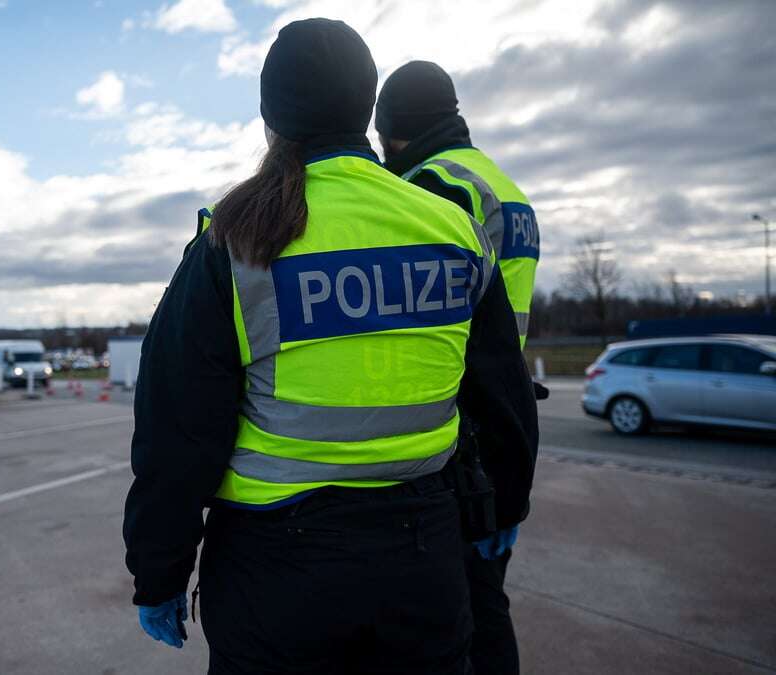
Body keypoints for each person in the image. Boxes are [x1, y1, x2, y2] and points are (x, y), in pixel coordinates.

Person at [123, 19, 538, 675]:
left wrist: (160, 569)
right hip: (423, 560)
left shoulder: (234, 239)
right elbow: (503, 394)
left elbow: (176, 430)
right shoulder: (452, 228)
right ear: (364, 106)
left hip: (276, 577)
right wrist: (504, 501)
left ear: (270, 118)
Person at [376, 60, 542, 675]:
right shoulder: (505, 185)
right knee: (485, 598)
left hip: (462, 425)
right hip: (506, 407)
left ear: (392, 126)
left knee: (463, 616)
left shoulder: (435, 186)